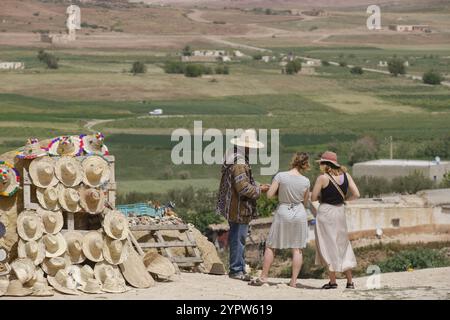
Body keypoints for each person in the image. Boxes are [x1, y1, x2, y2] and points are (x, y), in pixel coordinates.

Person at [250, 152, 311, 288]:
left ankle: (264, 276)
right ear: (305, 165)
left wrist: (279, 191)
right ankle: (293, 281)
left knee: (271, 246)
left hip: (283, 211)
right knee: (297, 248)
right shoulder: (306, 181)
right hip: (299, 213)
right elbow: (306, 201)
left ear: (293, 161)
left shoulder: (280, 176)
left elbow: (270, 195)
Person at [216, 129, 269, 281]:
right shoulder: (240, 164)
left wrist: (257, 185)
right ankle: (236, 269)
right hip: (239, 207)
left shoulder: (233, 159)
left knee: (236, 236)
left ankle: (237, 267)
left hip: (233, 206)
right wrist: (260, 189)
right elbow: (243, 188)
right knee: (238, 238)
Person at [311, 151, 360, 289]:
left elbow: (313, 198)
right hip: (340, 211)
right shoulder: (347, 176)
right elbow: (357, 194)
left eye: (321, 163)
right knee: (342, 244)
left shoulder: (322, 178)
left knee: (327, 245)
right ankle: (349, 281)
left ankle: (333, 281)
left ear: (326, 164)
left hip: (326, 212)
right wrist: (345, 201)